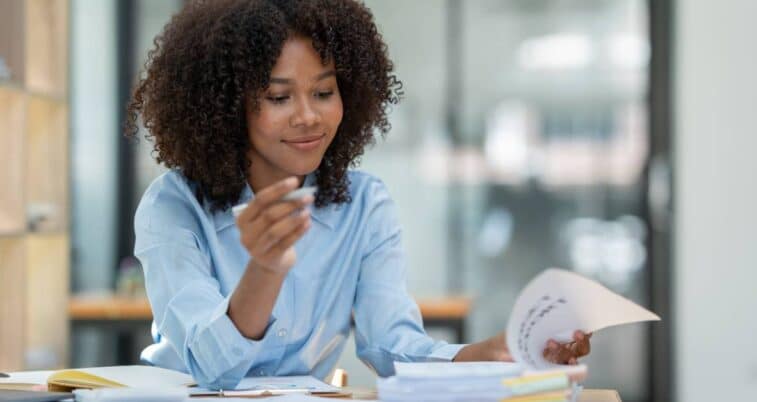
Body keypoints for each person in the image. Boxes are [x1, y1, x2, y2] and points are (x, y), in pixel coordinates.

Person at [125, 0, 591, 390]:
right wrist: (264, 269)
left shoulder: (363, 204)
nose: (309, 116)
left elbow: (391, 345)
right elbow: (213, 369)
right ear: (225, 107)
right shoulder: (173, 206)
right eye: (279, 97)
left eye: (324, 91)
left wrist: (485, 354)